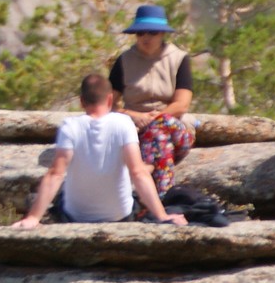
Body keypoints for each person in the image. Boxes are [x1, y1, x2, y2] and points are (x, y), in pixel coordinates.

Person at [15, 74, 186, 227]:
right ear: (110, 100)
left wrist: (33, 218)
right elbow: (138, 172)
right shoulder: (124, 123)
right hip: (120, 216)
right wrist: (162, 216)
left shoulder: (70, 126)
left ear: (82, 101)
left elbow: (55, 174)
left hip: (75, 217)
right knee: (132, 196)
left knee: (62, 194)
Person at [107, 3, 195, 197]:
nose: (146, 37)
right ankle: (164, 196)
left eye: (152, 32)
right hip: (136, 131)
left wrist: (154, 117)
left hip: (174, 127)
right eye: (140, 33)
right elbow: (107, 103)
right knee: (157, 138)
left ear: (162, 34)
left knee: (158, 129)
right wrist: (134, 115)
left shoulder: (179, 59)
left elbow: (182, 104)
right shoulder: (124, 61)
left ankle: (154, 197)